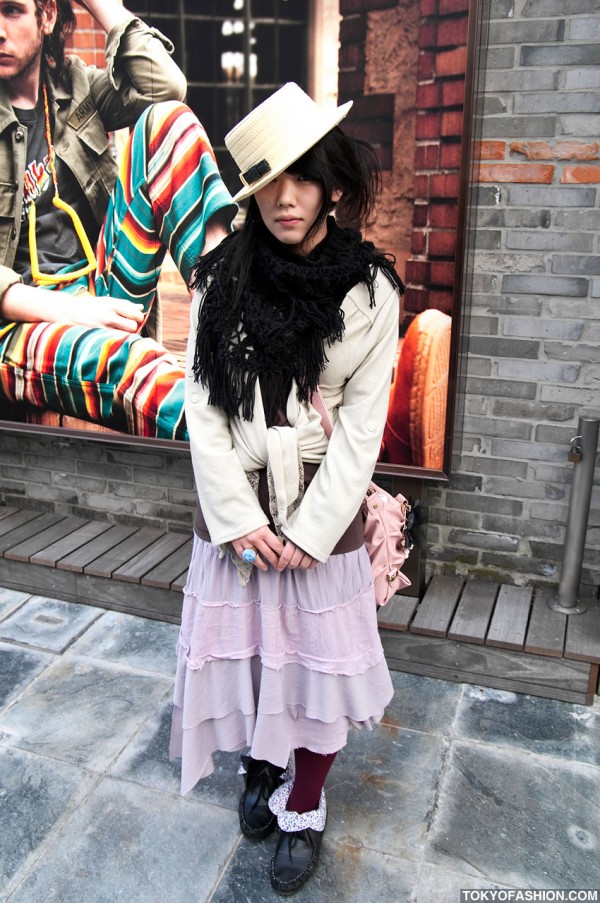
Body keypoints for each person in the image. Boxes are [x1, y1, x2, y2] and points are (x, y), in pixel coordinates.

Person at [169, 83, 403, 895]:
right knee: (254, 657)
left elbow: (365, 426)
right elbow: (200, 406)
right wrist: (235, 518)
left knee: (317, 665)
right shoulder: (218, 281)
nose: (287, 198)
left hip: (319, 511)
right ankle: (261, 765)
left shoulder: (372, 291)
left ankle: (306, 801)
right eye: (269, 182)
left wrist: (310, 531)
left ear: (332, 182)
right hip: (235, 509)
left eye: (304, 177)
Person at [0, 0, 235, 438]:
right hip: (20, 327)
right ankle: (256, 455)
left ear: (46, 16)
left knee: (170, 122)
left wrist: (100, 4)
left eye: (12, 10)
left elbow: (165, 86)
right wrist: (78, 312)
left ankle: (235, 320)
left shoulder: (73, 87)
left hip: (100, 290)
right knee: (138, 370)